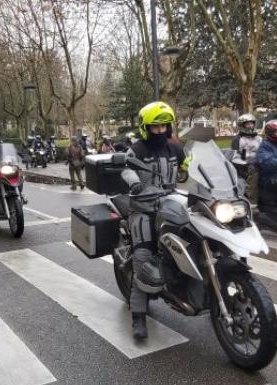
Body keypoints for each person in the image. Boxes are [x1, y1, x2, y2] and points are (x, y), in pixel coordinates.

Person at [121, 101, 186, 340]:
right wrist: (133, 182)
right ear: (145, 128)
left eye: (164, 127)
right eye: (155, 128)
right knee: (143, 258)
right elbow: (126, 168)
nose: (160, 132)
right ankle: (138, 315)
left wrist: (188, 172)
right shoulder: (138, 149)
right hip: (144, 208)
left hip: (170, 204)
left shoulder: (175, 148)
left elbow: (186, 167)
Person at [233, 113, 261, 203]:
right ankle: (252, 200)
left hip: (259, 162)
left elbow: (263, 150)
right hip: (243, 166)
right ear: (242, 125)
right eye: (247, 124)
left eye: (252, 123)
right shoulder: (238, 139)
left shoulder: (258, 138)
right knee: (254, 172)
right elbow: (239, 156)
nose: (250, 126)